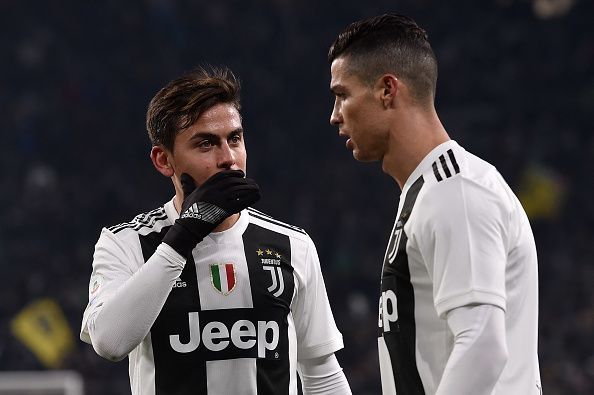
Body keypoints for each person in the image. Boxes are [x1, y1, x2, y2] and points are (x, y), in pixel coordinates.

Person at [80, 66, 351, 395]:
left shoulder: (292, 245)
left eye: (234, 139)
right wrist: (184, 236)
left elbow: (322, 374)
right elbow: (109, 342)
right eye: (206, 144)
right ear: (164, 160)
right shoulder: (127, 243)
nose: (228, 158)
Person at [328, 13, 541, 395]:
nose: (335, 116)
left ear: (387, 91)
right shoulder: (429, 191)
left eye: (342, 95)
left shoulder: (455, 191)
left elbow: (483, 345)